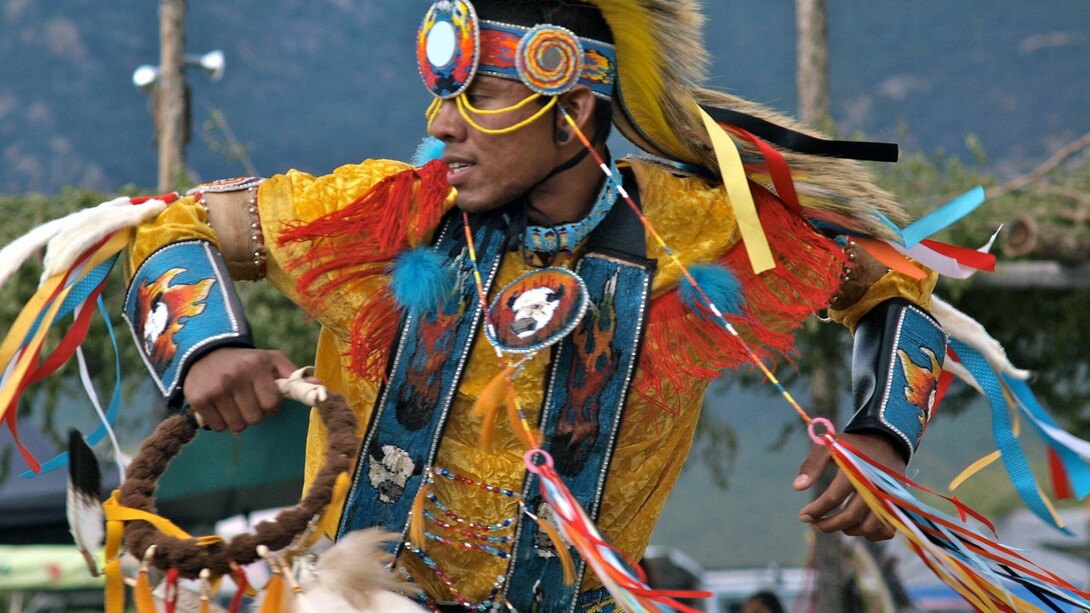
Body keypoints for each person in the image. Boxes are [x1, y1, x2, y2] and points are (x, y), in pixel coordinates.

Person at [116, 0, 948, 611]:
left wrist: (882, 436)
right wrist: (203, 347)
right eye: (441, 97)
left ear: (574, 108)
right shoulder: (379, 215)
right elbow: (170, 223)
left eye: (477, 96)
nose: (442, 124)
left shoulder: (699, 229)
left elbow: (885, 276)